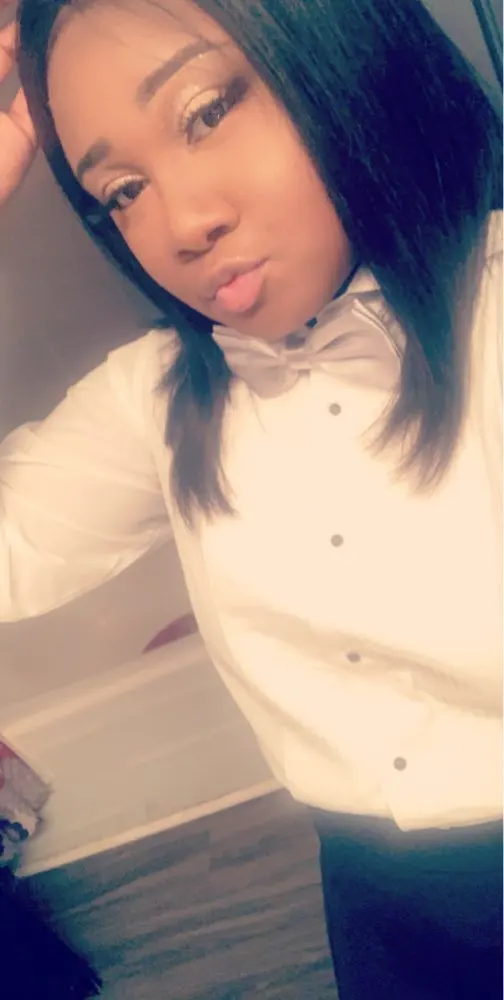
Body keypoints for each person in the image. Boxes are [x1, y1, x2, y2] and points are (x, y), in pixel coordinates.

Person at [1, 0, 502, 996]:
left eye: (206, 110)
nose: (184, 225)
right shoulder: (158, 400)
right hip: (377, 901)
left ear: (333, 51)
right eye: (123, 191)